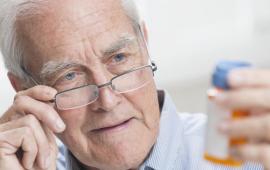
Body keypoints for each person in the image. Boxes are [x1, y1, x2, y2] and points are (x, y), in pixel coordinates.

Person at [0, 0, 269, 169]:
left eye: (118, 57)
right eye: (69, 76)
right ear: (23, 89)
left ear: (145, 45)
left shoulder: (253, 159)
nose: (107, 100)